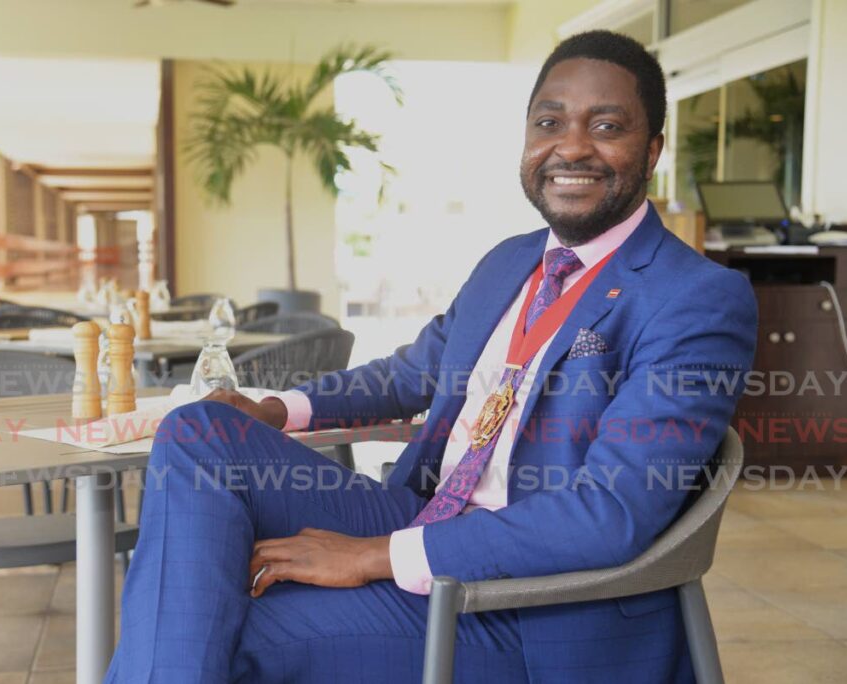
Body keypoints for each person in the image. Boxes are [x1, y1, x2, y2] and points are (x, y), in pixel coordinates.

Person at [106, 30, 757, 683]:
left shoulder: (693, 299)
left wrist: (376, 556)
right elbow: (416, 369)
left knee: (226, 629)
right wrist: (280, 406)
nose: (572, 146)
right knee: (201, 435)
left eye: (607, 125)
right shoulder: (511, 260)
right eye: (549, 122)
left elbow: (610, 513)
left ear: (652, 150)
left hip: (533, 608)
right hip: (428, 508)